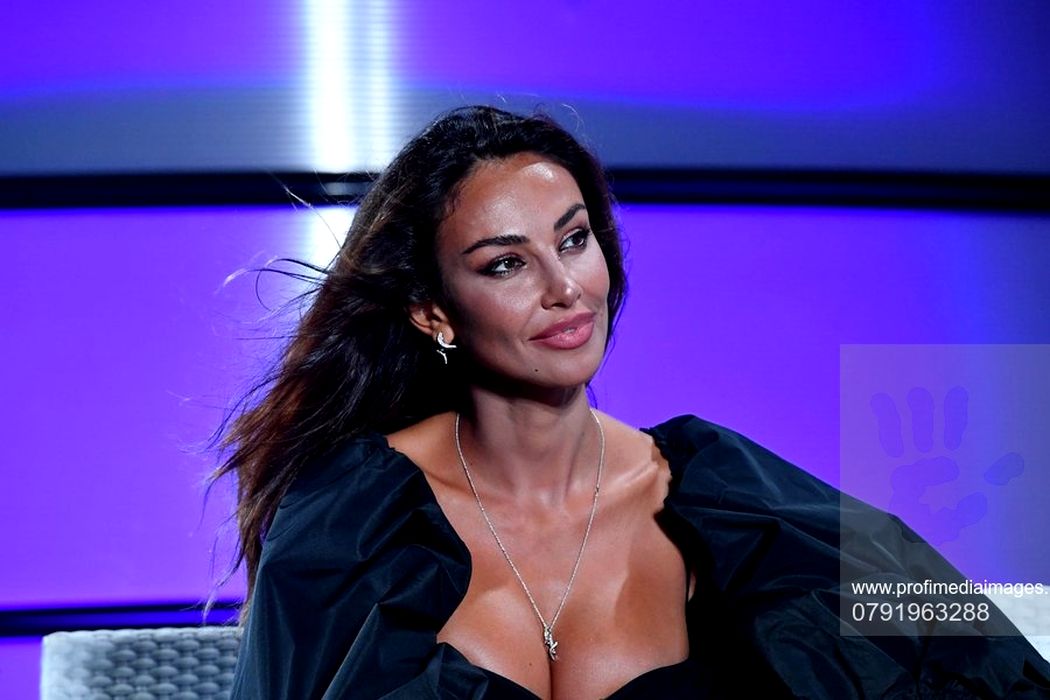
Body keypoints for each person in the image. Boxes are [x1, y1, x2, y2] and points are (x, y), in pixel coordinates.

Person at [220, 106, 1050, 698]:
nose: (565, 287)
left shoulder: (720, 492)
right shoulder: (351, 519)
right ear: (432, 310)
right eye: (506, 263)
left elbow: (981, 661)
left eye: (574, 239)